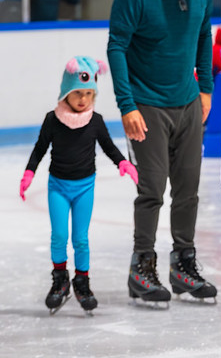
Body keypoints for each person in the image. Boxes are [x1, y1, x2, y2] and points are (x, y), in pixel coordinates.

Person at [107, 0, 217, 306]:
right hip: (147, 104)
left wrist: (205, 87)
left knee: (188, 190)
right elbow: (116, 46)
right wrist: (127, 105)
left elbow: (205, 32)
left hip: (187, 101)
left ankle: (183, 266)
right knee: (152, 189)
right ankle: (142, 268)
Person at [19, 57, 139, 314]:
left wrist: (123, 163)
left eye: (88, 93)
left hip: (85, 186)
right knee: (59, 236)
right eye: (77, 93)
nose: (83, 99)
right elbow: (40, 148)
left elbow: (108, 146)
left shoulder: (95, 120)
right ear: (66, 92)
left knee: (81, 239)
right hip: (58, 187)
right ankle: (60, 281)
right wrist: (29, 173)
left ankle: (82, 283)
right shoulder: (53, 119)